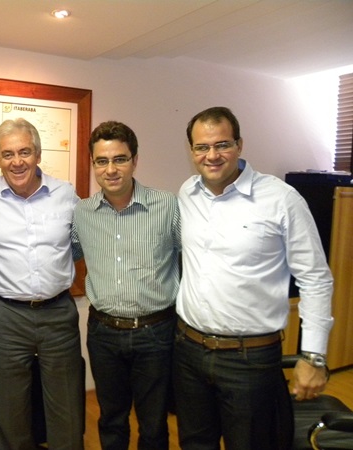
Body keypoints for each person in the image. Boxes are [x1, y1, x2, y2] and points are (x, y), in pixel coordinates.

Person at [174, 106, 334, 449]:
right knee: (194, 443)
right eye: (202, 147)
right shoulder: (187, 192)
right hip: (189, 353)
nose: (212, 155)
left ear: (239, 145)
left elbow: (315, 278)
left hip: (249, 361)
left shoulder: (281, 199)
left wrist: (313, 356)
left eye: (222, 144)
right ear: (192, 151)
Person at [0, 118, 84, 450]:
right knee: (9, 409)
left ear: (38, 154)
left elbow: (80, 244)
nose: (17, 161)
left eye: (24, 152)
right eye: (7, 154)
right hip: (5, 316)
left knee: (66, 407)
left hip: (58, 313)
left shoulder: (65, 194)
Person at [71, 121, 181, 450]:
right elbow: (65, 254)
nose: (111, 169)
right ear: (93, 164)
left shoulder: (167, 205)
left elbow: (193, 256)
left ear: (135, 160)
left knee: (153, 422)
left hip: (156, 332)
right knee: (111, 418)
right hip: (104, 333)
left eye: (120, 159)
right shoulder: (82, 212)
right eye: (102, 161)